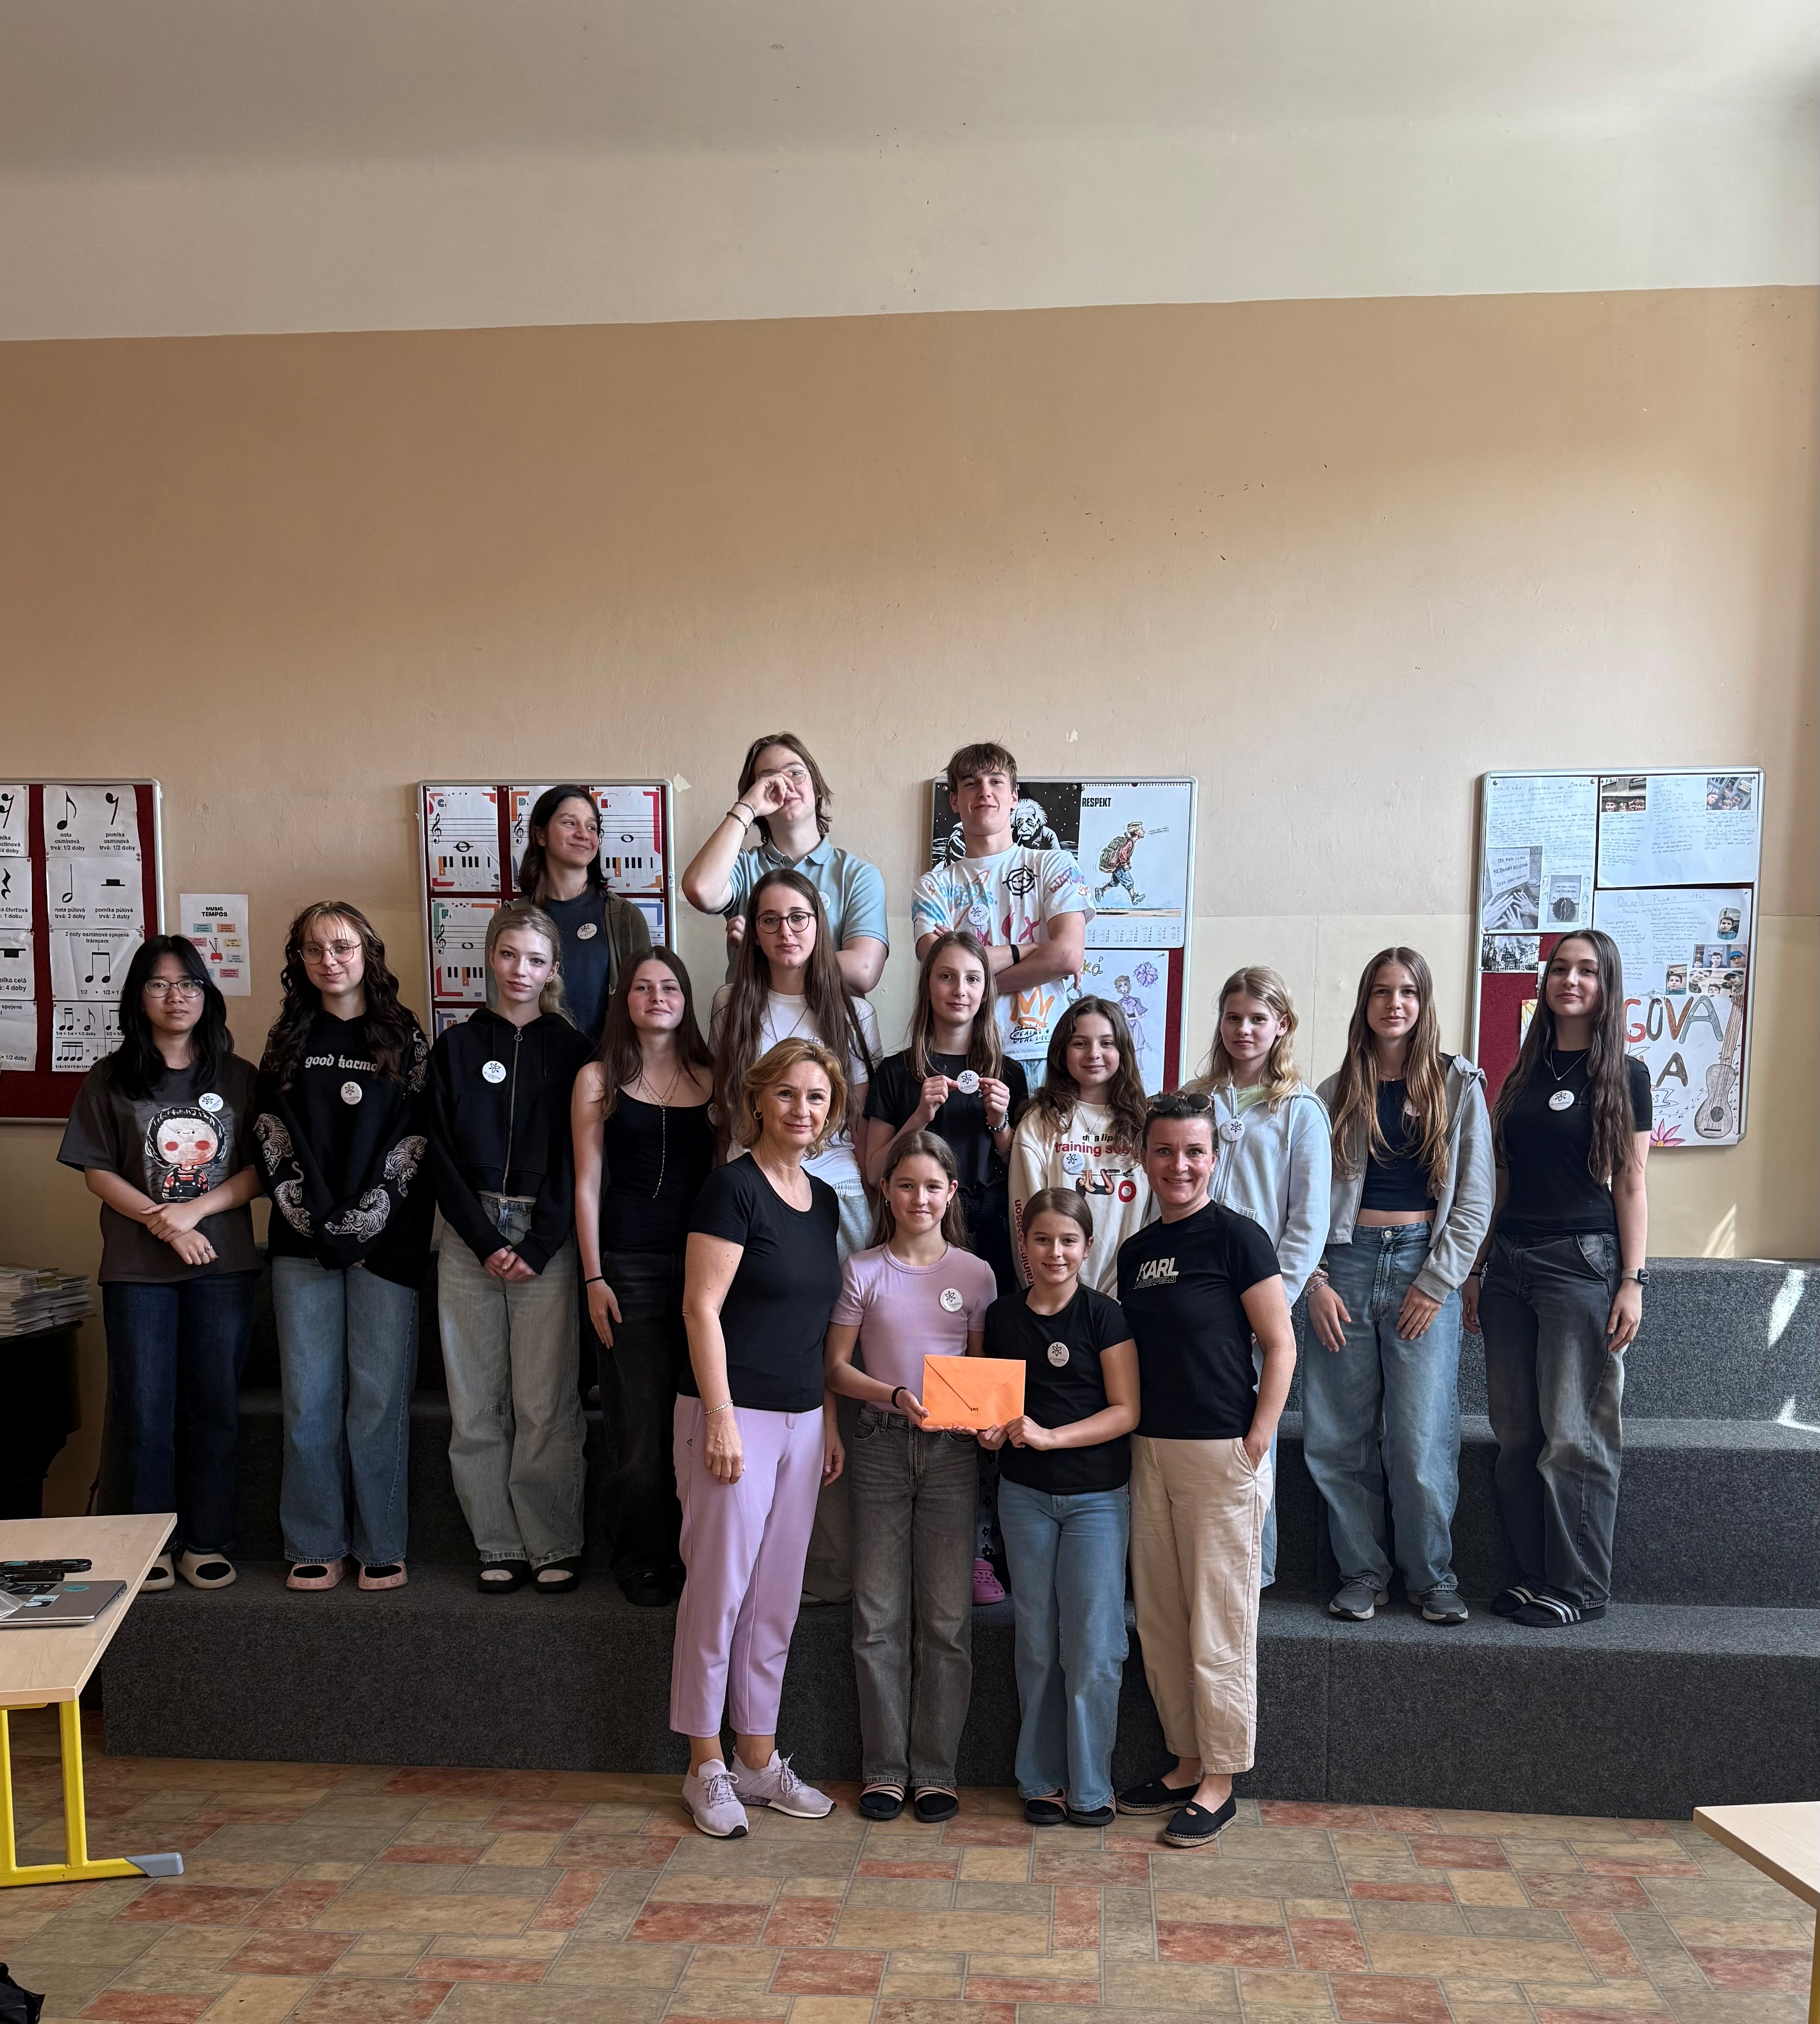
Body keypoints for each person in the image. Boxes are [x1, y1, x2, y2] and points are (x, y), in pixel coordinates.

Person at [672, 1038, 848, 1838]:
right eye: (787, 1093)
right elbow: (700, 1308)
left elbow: (816, 1324)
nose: (801, 1109)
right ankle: (704, 1765)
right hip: (731, 1416)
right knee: (718, 1595)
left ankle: (756, 1757)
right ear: (757, 1101)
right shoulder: (731, 1189)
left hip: (803, 1421)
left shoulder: (826, 1200)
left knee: (774, 1600)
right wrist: (719, 1415)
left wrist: (828, 1418)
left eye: (816, 1097)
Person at [1114, 1093, 1296, 1849]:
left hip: (1221, 1454)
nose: (1179, 1165)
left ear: (1213, 1159)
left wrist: (1257, 1439)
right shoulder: (1134, 1253)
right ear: (1145, 1158)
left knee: (1219, 1620)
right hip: (1148, 1450)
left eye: (1193, 1152)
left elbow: (1279, 1345)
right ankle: (1186, 1760)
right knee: (1162, 1619)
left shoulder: (1238, 1239)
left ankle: (1220, 1778)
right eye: (1164, 1151)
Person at [57, 937, 263, 1593]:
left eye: (189, 984)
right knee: (145, 1411)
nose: (177, 997)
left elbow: (260, 1170)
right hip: (137, 1272)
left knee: (214, 1407)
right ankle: (151, 1544)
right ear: (138, 997)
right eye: (160, 984)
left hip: (223, 1267)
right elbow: (96, 1170)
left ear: (207, 995)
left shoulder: (239, 1076)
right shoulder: (110, 1077)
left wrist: (193, 1212)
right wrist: (163, 1223)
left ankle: (206, 1541)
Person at [1463, 930, 1651, 1629]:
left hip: (1582, 1265)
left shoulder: (1626, 1075)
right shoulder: (1521, 1074)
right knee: (1518, 1434)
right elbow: (1502, 1180)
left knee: (1574, 1434)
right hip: (1510, 1265)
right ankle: (1533, 1574)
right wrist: (1477, 1265)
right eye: (1560, 969)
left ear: (1606, 985)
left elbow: (1630, 1182)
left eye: (1586, 971)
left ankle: (1579, 1587)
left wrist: (1632, 1280)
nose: (1570, 980)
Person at [1306, 947, 1493, 1624]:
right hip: (1345, 1268)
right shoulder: (1332, 1092)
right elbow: (1303, 1201)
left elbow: (1474, 1199)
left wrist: (1438, 1281)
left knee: (1419, 1439)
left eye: (1407, 991)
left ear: (1424, 1001)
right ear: (1364, 1004)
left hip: (1423, 1265)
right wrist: (1314, 1281)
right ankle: (1362, 1571)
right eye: (1381, 991)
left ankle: (1431, 1577)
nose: (1394, 1004)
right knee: (1338, 1436)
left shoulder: (1457, 1085)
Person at [252, 902, 433, 1593]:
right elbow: (273, 1140)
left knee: (379, 1400)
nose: (329, 960)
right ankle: (316, 1540)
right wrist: (327, 1226)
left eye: (343, 946)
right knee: (309, 1398)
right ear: (299, 960)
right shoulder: (286, 1040)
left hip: (387, 1244)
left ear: (368, 952)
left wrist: (361, 1226)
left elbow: (416, 1140)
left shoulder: (405, 1036)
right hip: (303, 1242)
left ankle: (381, 1542)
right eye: (314, 949)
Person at [712, 869, 880, 1606]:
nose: (786, 931)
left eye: (800, 918)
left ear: (821, 927)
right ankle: (751, 1544)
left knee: (835, 1362)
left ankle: (832, 1560)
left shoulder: (852, 1010)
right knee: (762, 1354)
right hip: (754, 1192)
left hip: (835, 1195)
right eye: (771, 919)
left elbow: (861, 1126)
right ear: (752, 931)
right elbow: (727, 1108)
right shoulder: (731, 1004)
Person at [825, 1133, 996, 1823]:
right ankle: (884, 1768)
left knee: (947, 1620)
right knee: (877, 1617)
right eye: (905, 1185)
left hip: (952, 1454)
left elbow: (979, 1375)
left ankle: (935, 1770)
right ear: (886, 1191)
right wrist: (892, 1395)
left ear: (951, 1193)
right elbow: (836, 1368)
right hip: (878, 1445)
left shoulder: (976, 1274)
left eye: (932, 1186)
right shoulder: (862, 1269)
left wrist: (985, 1421)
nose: (919, 1198)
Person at [426, 902, 594, 1595]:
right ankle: (497, 1541)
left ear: (553, 970)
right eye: (508, 955)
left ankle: (552, 1540)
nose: (519, 970)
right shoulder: (455, 1048)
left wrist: (541, 1240)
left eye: (535, 959)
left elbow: (580, 1158)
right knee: (475, 1404)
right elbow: (437, 1153)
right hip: (468, 1237)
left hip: (546, 1237)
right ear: (489, 959)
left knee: (544, 1401)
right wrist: (483, 1238)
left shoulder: (576, 1052)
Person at [980, 1190, 1139, 1828]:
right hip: (1023, 1498)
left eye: (1068, 1240)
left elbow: (1126, 1411)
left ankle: (1092, 1786)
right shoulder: (1001, 1316)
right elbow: (992, 1408)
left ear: (1088, 1247)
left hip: (1096, 1500)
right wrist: (989, 1430)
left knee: (1094, 1645)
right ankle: (1040, 1779)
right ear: (1024, 1246)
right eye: (1042, 1239)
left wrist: (1051, 1436)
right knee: (1037, 1642)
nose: (1055, 1252)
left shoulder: (1105, 1316)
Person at [573, 949, 716, 1608]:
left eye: (670, 987)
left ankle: (694, 1549)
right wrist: (593, 1276)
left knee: (696, 1419)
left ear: (686, 1000)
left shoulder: (713, 1076)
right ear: (623, 1000)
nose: (657, 997)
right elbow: (587, 1183)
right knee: (638, 1423)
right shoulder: (597, 1078)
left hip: (702, 1274)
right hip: (626, 1269)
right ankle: (639, 1554)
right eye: (642, 987)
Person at [1188, 965, 1331, 1588]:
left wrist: (1274, 1304)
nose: (1243, 1029)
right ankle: (1190, 1562)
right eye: (1233, 1017)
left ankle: (1251, 1572)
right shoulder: (1195, 1099)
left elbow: (1307, 1223)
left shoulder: (1301, 1110)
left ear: (1282, 1026)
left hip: (1254, 1300)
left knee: (1251, 1435)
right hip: (1194, 1296)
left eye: (1257, 1019)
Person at [911, 742, 1091, 1078]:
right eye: (971, 783)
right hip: (964, 1056)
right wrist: (1029, 950)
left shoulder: (1055, 865)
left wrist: (971, 982)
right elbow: (936, 964)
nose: (985, 791)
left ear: (1013, 797)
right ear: (954, 801)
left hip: (1045, 1052)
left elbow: (1067, 956)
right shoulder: (933, 885)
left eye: (996, 781)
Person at [863, 930, 1027, 1295]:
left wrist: (1000, 1124)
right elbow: (874, 1173)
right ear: (927, 986)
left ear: (986, 991)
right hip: (915, 1234)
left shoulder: (1009, 1075)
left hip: (990, 1237)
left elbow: (1023, 1175)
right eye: (946, 976)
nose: (959, 990)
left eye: (972, 979)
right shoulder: (895, 1073)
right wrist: (919, 1117)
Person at [681, 733, 888, 994]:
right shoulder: (743, 867)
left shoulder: (857, 875)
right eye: (768, 779)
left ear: (817, 787)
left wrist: (765, 950)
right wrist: (747, 808)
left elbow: (864, 971)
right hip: (752, 1018)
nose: (785, 785)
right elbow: (700, 890)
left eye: (796, 773)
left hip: (830, 1020)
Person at [1008, 997, 1151, 1292]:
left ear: (1123, 1051)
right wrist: (1048, 1295)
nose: (1094, 1054)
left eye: (1107, 1043)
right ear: (1062, 1051)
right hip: (1056, 1294)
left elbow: (1154, 1218)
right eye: (1080, 1043)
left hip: (1129, 1293)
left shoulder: (1145, 1123)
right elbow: (1024, 1216)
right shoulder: (1039, 1122)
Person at [517, 785, 653, 1044]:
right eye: (570, 823)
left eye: (592, 828)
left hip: (606, 1063)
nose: (583, 834)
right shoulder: (510, 919)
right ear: (541, 835)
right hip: (533, 1062)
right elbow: (499, 1012)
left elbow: (644, 1008)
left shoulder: (625, 918)